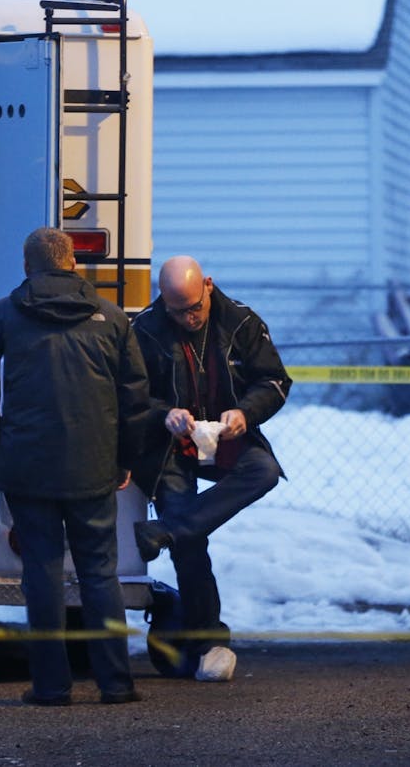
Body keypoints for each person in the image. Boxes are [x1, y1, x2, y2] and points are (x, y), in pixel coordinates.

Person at [0, 227, 150, 706]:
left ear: (28, 267)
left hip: (26, 467)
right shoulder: (111, 318)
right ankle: (116, 683)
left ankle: (51, 686)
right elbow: (134, 398)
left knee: (42, 574)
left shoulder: (4, 316)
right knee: (99, 573)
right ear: (72, 264)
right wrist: (125, 459)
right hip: (93, 465)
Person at [130, 256, 292, 682]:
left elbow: (275, 381)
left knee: (265, 470)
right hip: (170, 446)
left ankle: (167, 528)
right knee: (191, 540)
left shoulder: (240, 321)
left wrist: (245, 413)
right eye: (178, 310)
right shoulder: (145, 329)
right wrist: (164, 414)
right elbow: (128, 398)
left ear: (208, 285)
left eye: (194, 306)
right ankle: (209, 644)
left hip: (228, 435)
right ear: (163, 301)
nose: (189, 317)